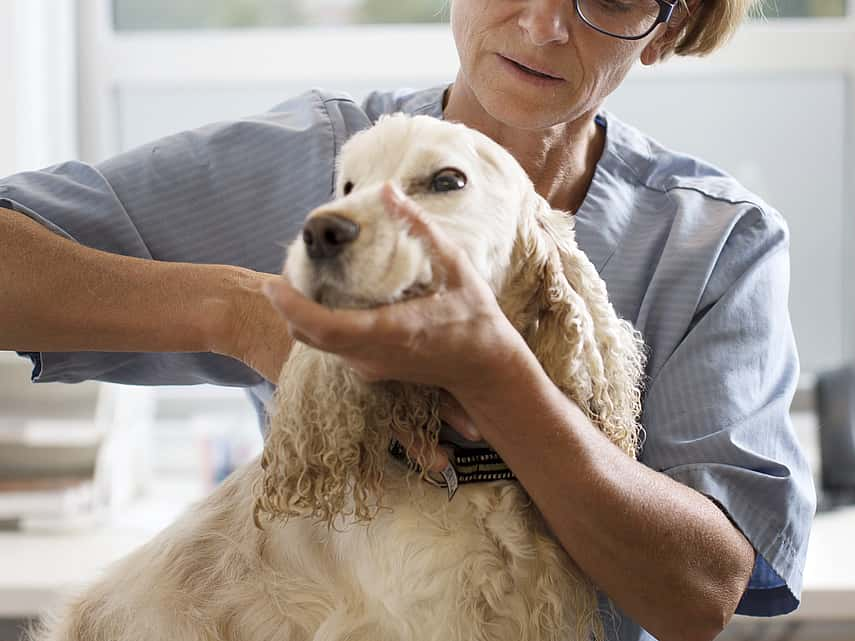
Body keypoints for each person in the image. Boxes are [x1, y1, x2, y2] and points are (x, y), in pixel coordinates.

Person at [0, 0, 815, 639]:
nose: (540, 24)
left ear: (666, 26)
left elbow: (699, 597)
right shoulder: (316, 164)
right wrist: (239, 311)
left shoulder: (708, 244)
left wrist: (496, 379)